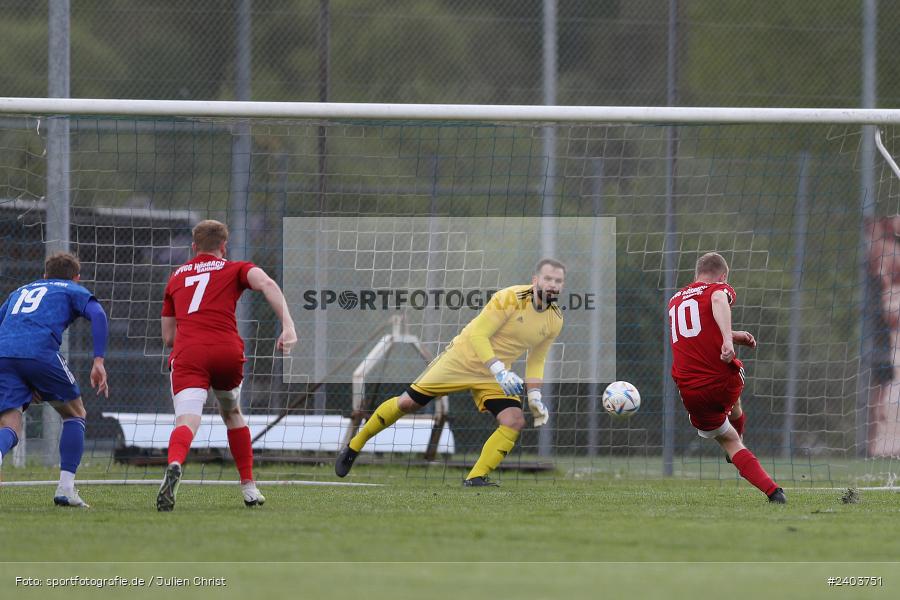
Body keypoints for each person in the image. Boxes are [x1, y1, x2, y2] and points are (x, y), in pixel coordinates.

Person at [335, 258, 565, 486]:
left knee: (514, 420)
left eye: (558, 280)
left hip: (495, 374)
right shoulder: (509, 298)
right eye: (548, 278)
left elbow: (537, 358)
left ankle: (475, 478)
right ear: (535, 280)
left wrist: (534, 395)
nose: (553, 284)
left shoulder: (555, 319)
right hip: (462, 359)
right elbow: (478, 336)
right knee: (407, 404)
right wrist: (500, 371)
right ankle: (355, 445)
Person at [156, 220, 297, 511]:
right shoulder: (237, 268)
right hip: (226, 351)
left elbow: (168, 338)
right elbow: (267, 283)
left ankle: (174, 462)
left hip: (190, 352)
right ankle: (249, 487)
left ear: (193, 248)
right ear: (224, 246)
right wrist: (288, 326)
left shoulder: (175, 277)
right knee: (232, 413)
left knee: (187, 421)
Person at [668, 252, 785, 503]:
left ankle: (774, 492)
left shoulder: (675, 300)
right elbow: (719, 299)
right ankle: (765, 479)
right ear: (723, 276)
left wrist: (734, 334)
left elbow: (697, 330)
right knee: (734, 395)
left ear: (696, 274)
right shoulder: (718, 289)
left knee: (728, 440)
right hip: (723, 379)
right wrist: (728, 340)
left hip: (689, 391)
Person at [0, 252, 109, 507]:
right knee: (75, 413)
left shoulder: (20, 291)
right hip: (39, 352)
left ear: (45, 274)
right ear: (76, 277)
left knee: (10, 422)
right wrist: (99, 360)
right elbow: (99, 314)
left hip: (3, 354)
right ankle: (66, 489)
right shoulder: (71, 289)